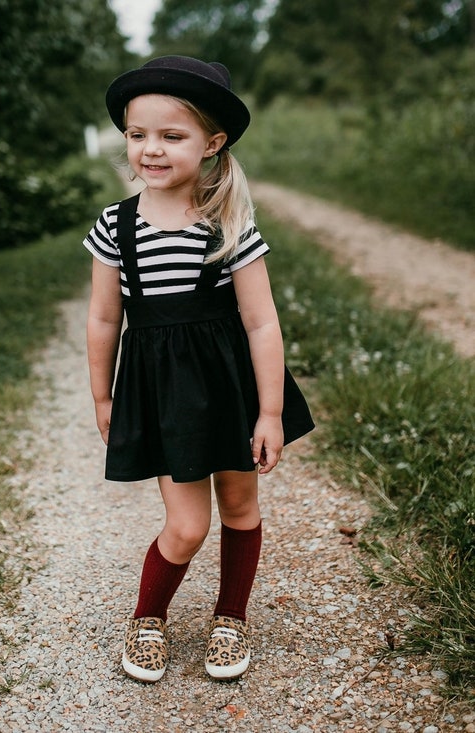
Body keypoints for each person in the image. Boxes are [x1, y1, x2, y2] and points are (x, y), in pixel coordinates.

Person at [84, 56, 313, 683]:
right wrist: (104, 398)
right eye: (138, 136)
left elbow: (262, 323)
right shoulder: (116, 225)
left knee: (240, 505)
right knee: (186, 525)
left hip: (229, 387)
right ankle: (148, 617)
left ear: (211, 144)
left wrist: (269, 411)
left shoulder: (228, 224)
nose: (150, 150)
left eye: (171, 136)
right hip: (162, 394)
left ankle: (231, 617)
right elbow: (105, 320)